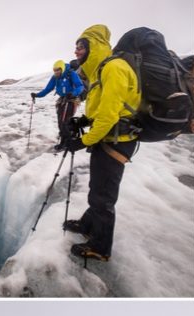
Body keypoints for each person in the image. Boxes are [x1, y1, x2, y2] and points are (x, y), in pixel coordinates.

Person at [60, 24, 141, 262]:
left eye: (81, 46)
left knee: (103, 197)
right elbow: (104, 110)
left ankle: (100, 247)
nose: (77, 51)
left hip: (117, 140)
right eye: (75, 47)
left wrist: (82, 141)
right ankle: (87, 224)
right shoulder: (101, 71)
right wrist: (84, 120)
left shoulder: (113, 68)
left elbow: (109, 116)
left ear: (94, 46)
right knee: (98, 188)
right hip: (109, 137)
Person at [31, 60, 84, 151]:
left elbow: (80, 86)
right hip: (62, 100)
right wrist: (37, 95)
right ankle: (66, 139)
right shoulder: (55, 77)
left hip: (71, 99)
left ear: (62, 68)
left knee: (64, 122)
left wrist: (73, 93)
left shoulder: (71, 74)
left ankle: (67, 142)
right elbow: (48, 89)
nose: (56, 72)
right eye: (55, 70)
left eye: (58, 70)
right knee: (61, 121)